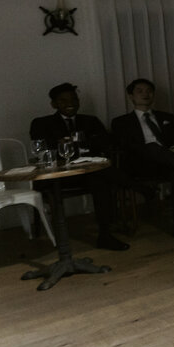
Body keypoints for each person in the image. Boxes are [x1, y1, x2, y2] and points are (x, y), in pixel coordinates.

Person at [28, 83, 128, 251]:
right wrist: (74, 145)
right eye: (63, 100)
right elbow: (42, 148)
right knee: (105, 175)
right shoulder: (42, 123)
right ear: (54, 104)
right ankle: (132, 183)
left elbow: (106, 142)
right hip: (59, 176)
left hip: (87, 173)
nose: (70, 103)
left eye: (74, 99)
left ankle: (105, 235)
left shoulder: (90, 120)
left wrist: (76, 144)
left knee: (100, 180)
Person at [110, 79, 174, 241]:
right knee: (153, 147)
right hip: (140, 165)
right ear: (131, 96)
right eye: (140, 91)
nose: (145, 94)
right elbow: (127, 147)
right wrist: (155, 150)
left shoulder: (167, 117)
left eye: (149, 90)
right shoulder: (121, 122)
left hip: (167, 162)